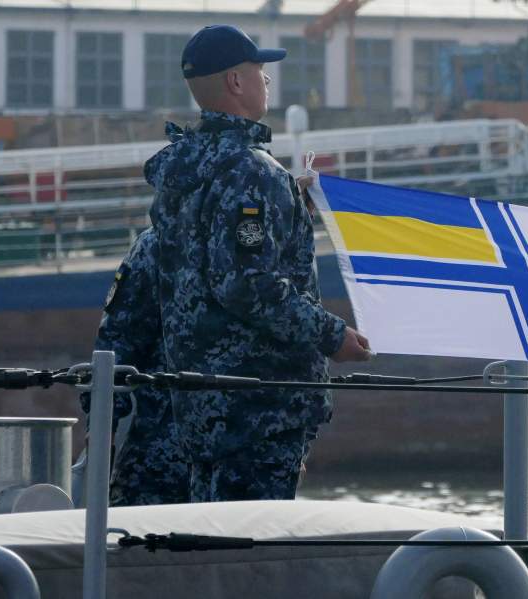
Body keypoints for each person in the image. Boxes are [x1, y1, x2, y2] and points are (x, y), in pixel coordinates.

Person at [145, 25, 372, 502]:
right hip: (259, 406)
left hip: (201, 401)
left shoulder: (187, 168)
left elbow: (210, 251)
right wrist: (333, 336)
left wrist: (290, 202)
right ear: (234, 82)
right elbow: (246, 283)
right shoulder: (253, 172)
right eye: (259, 69)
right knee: (250, 548)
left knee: (212, 541)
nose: (267, 79)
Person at [81, 227, 190, 506]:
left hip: (243, 457)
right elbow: (117, 344)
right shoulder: (160, 244)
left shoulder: (268, 237)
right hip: (162, 460)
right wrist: (102, 428)